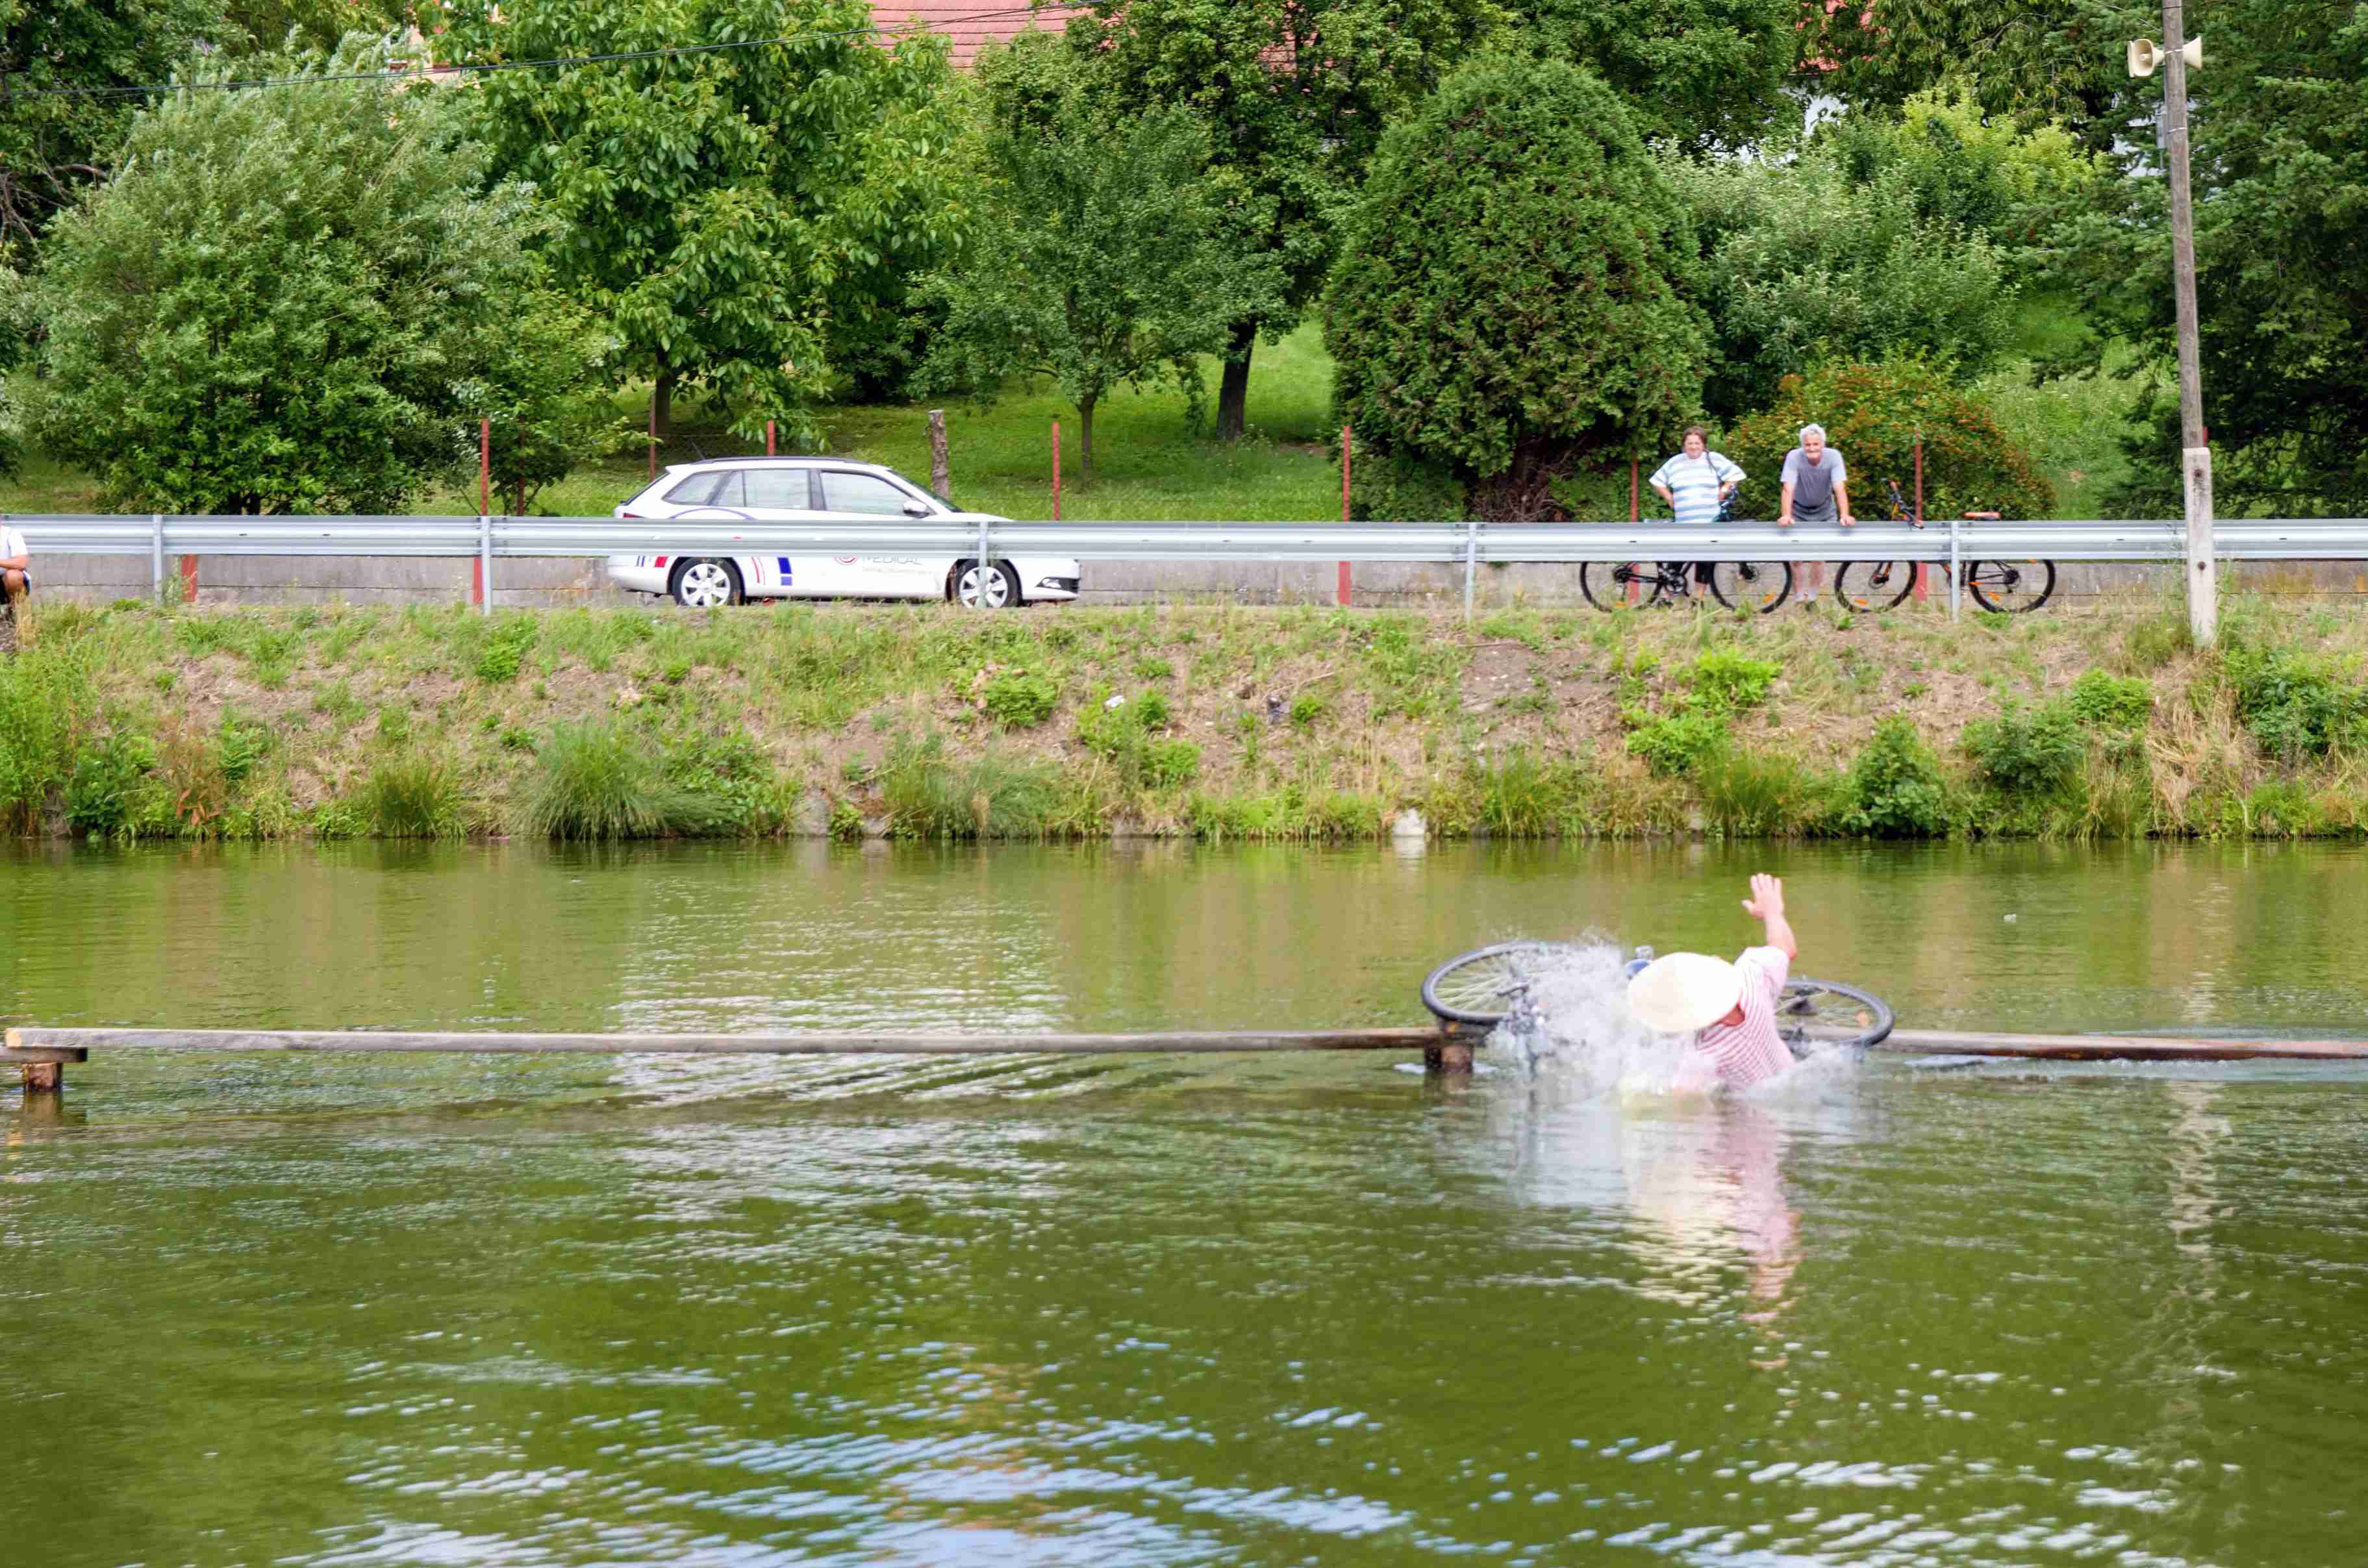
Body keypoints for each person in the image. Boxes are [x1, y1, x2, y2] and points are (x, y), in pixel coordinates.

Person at [1626, 873, 1798, 1091]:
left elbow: (1679, 1102)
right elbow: (1785, 948)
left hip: (1750, 1111)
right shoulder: (1751, 980)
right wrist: (1773, 913)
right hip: (1792, 1079)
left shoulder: (1703, 1058)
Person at [1649, 427, 1745, 527]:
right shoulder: (1675, 462)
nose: (1693, 447)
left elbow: (1736, 474)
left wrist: (1724, 490)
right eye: (1690, 443)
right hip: (1683, 524)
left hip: (1712, 523)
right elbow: (1657, 481)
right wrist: (1669, 498)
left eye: (1697, 443)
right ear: (1684, 445)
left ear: (1703, 445)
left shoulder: (1713, 458)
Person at [1776, 425, 1853, 530]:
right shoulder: (1793, 456)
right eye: (1808, 445)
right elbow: (1787, 489)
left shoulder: (1834, 456)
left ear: (1823, 444)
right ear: (1802, 445)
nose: (1812, 448)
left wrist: (1844, 515)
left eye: (1816, 444)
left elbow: (1840, 488)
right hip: (1798, 512)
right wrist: (1786, 516)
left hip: (1826, 511)